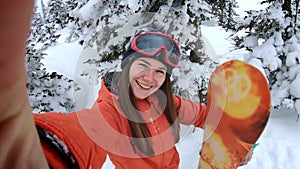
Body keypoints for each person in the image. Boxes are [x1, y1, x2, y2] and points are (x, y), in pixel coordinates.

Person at [0, 1, 252, 168]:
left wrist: (233, 138)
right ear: (126, 66)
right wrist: (45, 149)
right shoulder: (111, 111)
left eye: (160, 71)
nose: (150, 78)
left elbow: (203, 115)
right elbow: (87, 131)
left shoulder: (165, 101)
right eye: (142, 66)